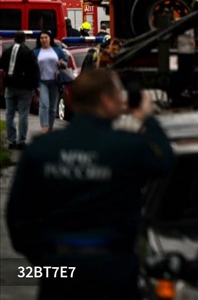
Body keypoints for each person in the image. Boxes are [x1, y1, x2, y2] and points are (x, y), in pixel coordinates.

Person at [5, 68, 175, 300]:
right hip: (112, 265)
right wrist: (146, 117)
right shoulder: (127, 147)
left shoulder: (41, 149)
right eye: (118, 95)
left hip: (59, 265)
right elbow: (165, 161)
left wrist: (46, 258)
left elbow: (18, 217)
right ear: (106, 101)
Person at [1, 31, 40, 150]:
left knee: (9, 114)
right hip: (25, 87)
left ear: (14, 39)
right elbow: (34, 70)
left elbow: (2, 68)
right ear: (25, 39)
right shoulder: (28, 52)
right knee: (23, 114)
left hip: (10, 86)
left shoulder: (7, 51)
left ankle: (11, 140)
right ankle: (21, 141)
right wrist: (35, 86)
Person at [33, 30, 71, 133]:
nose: (44, 40)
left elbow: (66, 62)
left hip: (55, 81)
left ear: (50, 39)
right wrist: (36, 85)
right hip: (42, 82)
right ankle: (44, 127)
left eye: (46, 38)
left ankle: (50, 128)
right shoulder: (36, 51)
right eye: (42, 38)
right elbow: (32, 68)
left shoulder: (57, 50)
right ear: (39, 40)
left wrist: (62, 63)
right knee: (44, 104)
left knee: (53, 108)